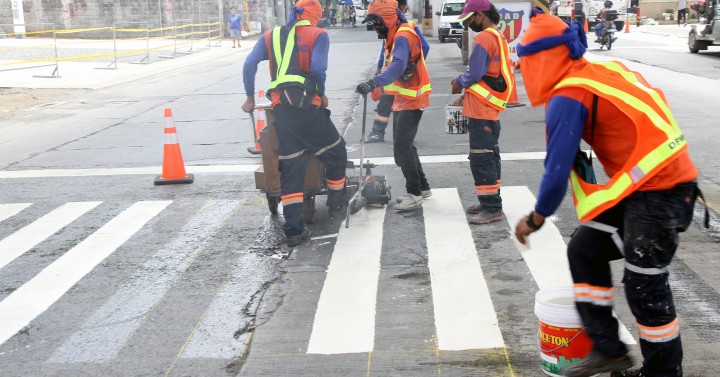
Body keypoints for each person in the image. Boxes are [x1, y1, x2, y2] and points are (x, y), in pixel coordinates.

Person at [513, 9, 700, 377]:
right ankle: (610, 350)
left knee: (645, 285)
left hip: (663, 194)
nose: (522, 69)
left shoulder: (570, 93)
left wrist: (535, 219)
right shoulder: (598, 70)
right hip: (648, 189)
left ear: (542, 57)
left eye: (525, 60)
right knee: (584, 249)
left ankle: (663, 372)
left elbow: (556, 170)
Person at [242, 0, 348, 247]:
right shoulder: (318, 34)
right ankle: (336, 203)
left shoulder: (271, 35)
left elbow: (249, 64)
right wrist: (320, 94)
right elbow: (319, 70)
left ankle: (293, 231)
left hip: (282, 110)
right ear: (315, 16)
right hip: (308, 107)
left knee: (292, 167)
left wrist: (249, 97)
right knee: (336, 151)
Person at [356, 0, 432, 211]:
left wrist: (375, 81)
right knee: (406, 146)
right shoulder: (398, 31)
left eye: (376, 21)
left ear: (388, 18)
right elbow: (422, 49)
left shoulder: (402, 35)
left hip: (411, 99)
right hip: (403, 98)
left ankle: (414, 193)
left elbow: (398, 64)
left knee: (401, 149)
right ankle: (423, 188)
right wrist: (412, 62)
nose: (374, 27)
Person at [451, 0, 513, 225]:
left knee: (481, 158)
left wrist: (459, 82)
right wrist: (465, 95)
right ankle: (489, 200)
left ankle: (492, 207)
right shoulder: (498, 36)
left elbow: (475, 71)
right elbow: (487, 75)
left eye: (469, 19)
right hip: (486, 108)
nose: (468, 24)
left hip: (482, 111)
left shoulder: (485, 37)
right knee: (489, 155)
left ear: (479, 15)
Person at [365, 0, 429, 144]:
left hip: (398, 74)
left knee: (393, 107)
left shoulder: (406, 29)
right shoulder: (390, 28)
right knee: (386, 104)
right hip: (391, 73)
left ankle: (380, 133)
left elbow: (424, 47)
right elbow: (385, 49)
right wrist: (381, 67)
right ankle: (379, 132)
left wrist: (412, 62)